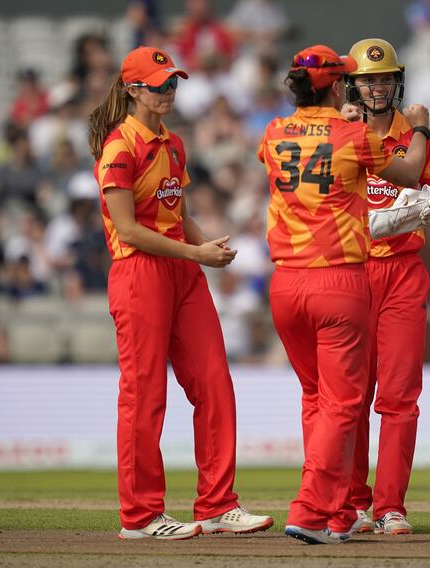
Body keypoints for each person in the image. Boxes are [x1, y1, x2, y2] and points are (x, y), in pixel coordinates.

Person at [88, 46, 273, 540]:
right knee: (144, 395)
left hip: (180, 271)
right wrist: (195, 255)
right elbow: (126, 230)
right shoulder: (119, 148)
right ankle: (141, 517)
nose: (169, 92)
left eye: (172, 83)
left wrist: (202, 243)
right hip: (140, 273)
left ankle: (217, 505)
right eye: (158, 84)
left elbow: (176, 215)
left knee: (214, 383)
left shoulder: (172, 143)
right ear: (132, 90)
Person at [258, 44, 430, 545]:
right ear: (340, 86)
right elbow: (408, 171)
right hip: (338, 278)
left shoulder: (272, 132)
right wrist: (418, 128)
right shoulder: (353, 135)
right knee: (342, 402)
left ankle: (338, 513)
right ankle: (313, 510)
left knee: (317, 398)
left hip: (285, 282)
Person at [340, 38, 430, 536]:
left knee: (401, 395)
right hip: (353, 272)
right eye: (368, 80)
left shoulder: (417, 135)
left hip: (404, 274)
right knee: (352, 393)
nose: (377, 87)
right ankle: (353, 503)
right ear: (354, 85)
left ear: (396, 81)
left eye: (383, 78)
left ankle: (390, 506)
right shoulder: (341, 133)